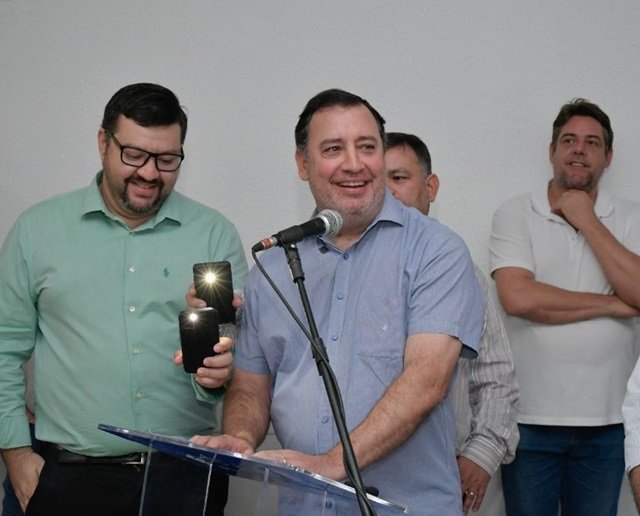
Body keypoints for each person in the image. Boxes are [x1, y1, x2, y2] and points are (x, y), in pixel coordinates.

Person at [192, 88, 485, 515]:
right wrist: (239, 437)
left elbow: (427, 381)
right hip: (303, 507)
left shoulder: (436, 251)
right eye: (333, 149)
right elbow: (251, 385)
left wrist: (331, 464)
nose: (354, 163)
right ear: (303, 164)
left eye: (367, 147)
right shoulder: (274, 266)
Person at [0, 82, 248, 516]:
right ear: (103, 142)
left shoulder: (213, 234)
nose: (149, 173)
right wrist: (16, 454)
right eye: (133, 154)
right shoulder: (38, 230)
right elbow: (3, 348)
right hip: (67, 475)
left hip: (184, 479)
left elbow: (235, 360)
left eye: (167, 160)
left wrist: (215, 372)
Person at [490, 98, 640, 516]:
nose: (579, 149)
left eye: (592, 142)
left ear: (608, 157)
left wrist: (586, 219)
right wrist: (613, 303)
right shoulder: (516, 213)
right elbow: (519, 297)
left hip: (609, 423)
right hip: (528, 419)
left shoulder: (632, 217)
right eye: (569, 140)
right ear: (552, 150)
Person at [384, 131, 519, 514]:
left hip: (440, 480)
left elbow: (496, 375)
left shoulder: (461, 271)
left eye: (399, 178)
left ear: (430, 188)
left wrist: (482, 453)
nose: (388, 191)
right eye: (378, 180)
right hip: (355, 476)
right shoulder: (343, 269)